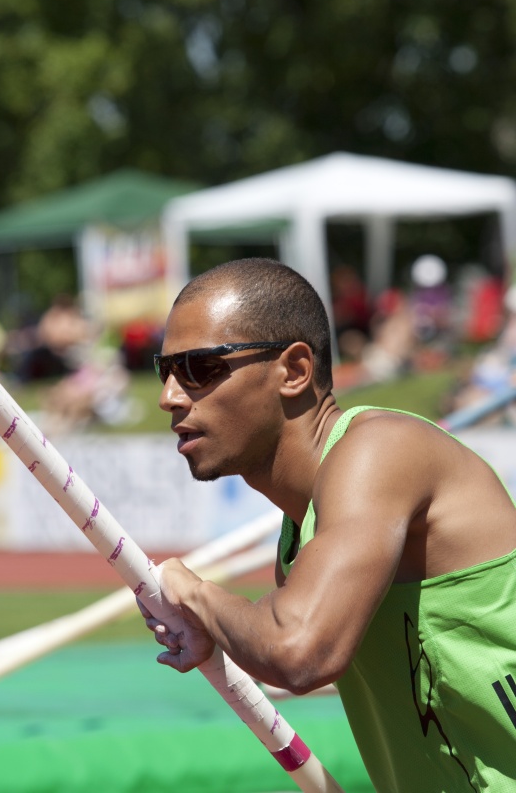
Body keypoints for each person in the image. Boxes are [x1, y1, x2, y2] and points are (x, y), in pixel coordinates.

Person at [139, 258, 516, 792]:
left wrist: (197, 595)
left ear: (294, 370)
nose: (169, 396)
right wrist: (217, 635)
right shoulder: (300, 540)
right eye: (165, 369)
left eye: (199, 367)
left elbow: (299, 651)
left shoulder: (382, 450)